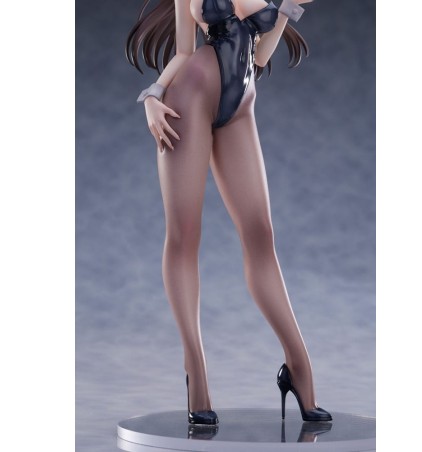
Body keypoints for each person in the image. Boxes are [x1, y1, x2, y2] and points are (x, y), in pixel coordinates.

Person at [126, 0, 332, 425]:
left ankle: (299, 367)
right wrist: (152, 94)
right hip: (190, 95)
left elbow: (260, 56)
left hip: (241, 102)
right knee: (184, 235)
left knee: (261, 235)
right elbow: (184, 52)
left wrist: (288, 7)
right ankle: (196, 372)